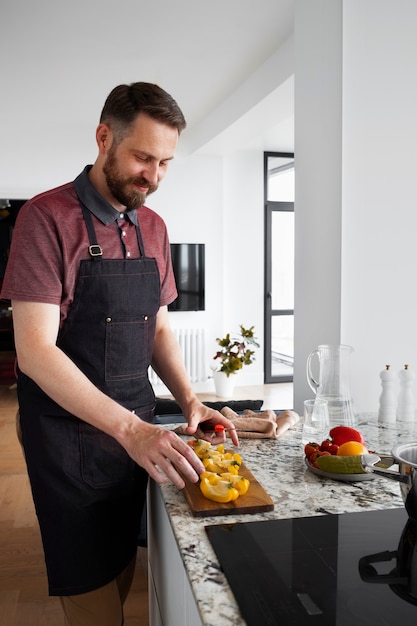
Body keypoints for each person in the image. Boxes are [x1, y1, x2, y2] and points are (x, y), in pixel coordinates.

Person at [0, 82, 239, 626]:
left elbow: (157, 330)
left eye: (165, 163)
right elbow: (34, 351)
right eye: (142, 157)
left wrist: (191, 401)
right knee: (92, 593)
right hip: (68, 436)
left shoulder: (153, 226)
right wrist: (129, 430)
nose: (153, 176)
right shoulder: (44, 218)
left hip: (140, 426)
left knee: (122, 564)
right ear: (104, 138)